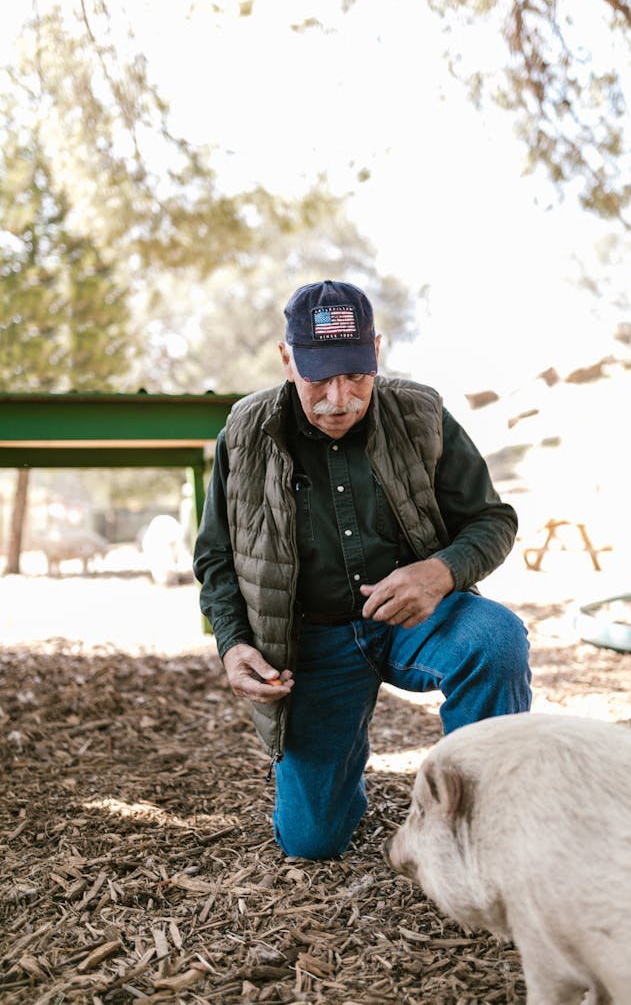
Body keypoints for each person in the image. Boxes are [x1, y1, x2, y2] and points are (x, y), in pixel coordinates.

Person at [193, 279, 531, 860]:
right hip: (312, 641)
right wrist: (232, 644)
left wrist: (441, 573)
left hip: (415, 618)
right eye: (318, 378)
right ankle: (339, 778)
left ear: (375, 352)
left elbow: (492, 519)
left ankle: (485, 813)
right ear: (286, 358)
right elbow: (215, 556)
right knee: (311, 842)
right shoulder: (244, 432)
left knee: (495, 639)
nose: (339, 398)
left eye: (355, 375)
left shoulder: (422, 412)